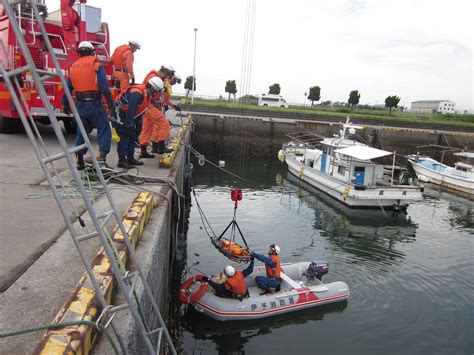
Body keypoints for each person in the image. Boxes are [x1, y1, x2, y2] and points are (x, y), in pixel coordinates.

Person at [62, 41, 114, 169]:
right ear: (92, 52)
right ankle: (102, 157)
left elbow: (68, 88)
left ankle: (80, 160)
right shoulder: (95, 64)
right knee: (104, 128)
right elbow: (103, 86)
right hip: (94, 104)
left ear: (79, 53)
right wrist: (110, 101)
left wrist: (65, 105)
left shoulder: (73, 67)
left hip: (80, 105)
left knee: (82, 132)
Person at [114, 77, 164, 168]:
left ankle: (130, 158)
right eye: (157, 92)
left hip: (127, 116)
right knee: (124, 137)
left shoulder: (146, 95)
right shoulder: (137, 94)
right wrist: (128, 126)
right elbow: (131, 110)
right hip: (119, 116)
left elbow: (139, 110)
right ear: (152, 89)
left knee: (133, 136)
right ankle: (121, 160)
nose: (158, 94)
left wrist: (138, 125)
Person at [139, 66, 175, 156]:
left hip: (148, 105)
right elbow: (150, 92)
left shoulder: (155, 77)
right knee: (164, 124)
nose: (167, 78)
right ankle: (161, 147)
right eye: (167, 76)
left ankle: (143, 151)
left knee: (147, 127)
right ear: (164, 72)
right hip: (150, 105)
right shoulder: (154, 78)